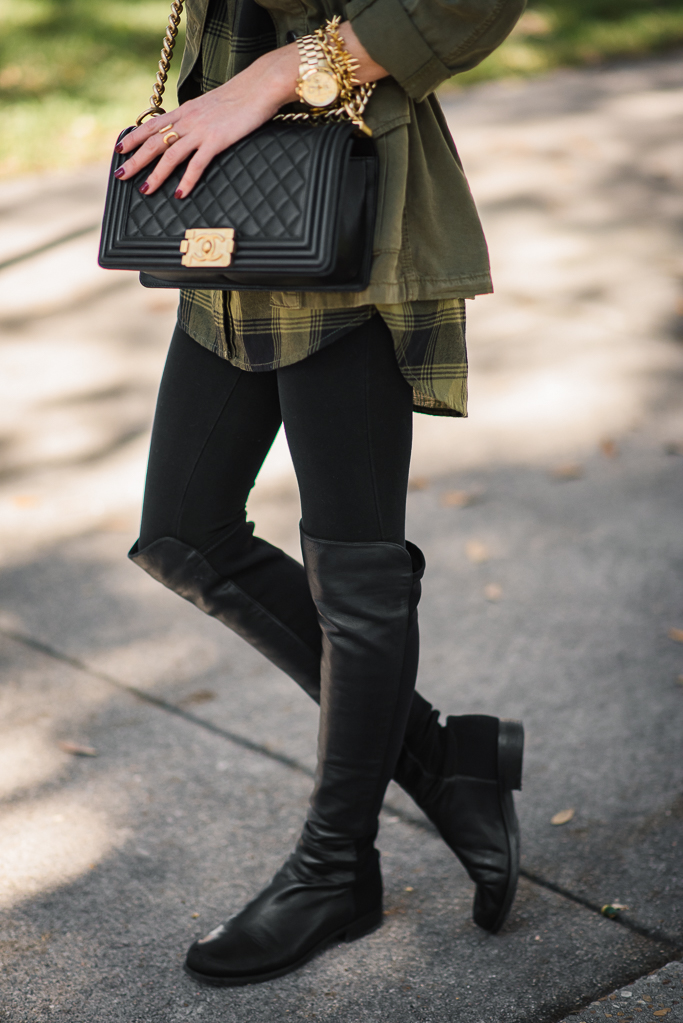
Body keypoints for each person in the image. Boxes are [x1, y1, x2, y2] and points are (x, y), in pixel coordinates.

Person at [114, 0, 526, 987]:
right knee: (182, 533)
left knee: (355, 573)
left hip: (346, 207)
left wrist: (265, 81)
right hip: (230, 205)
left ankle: (336, 870)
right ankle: (438, 756)